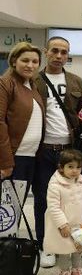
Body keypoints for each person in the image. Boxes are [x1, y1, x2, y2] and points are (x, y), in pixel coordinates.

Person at [32, 36, 82, 268]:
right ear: (46, 52)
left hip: (69, 150)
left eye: (64, 52)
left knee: (73, 201)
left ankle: (73, 243)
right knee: (44, 199)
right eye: (55, 51)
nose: (59, 56)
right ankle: (46, 245)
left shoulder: (76, 81)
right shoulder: (32, 78)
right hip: (42, 149)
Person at [43, 149, 82, 275]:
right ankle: (65, 273)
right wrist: (62, 224)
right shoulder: (55, 185)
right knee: (64, 249)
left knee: (78, 249)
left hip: (80, 223)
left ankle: (77, 272)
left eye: (78, 167)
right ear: (61, 167)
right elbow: (53, 207)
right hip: (64, 224)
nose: (74, 171)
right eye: (70, 167)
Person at [0, 42, 44, 205]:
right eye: (25, 60)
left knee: (14, 213)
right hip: (12, 159)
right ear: (13, 61)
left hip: (29, 158)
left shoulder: (32, 86)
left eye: (35, 62)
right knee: (6, 214)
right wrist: (5, 162)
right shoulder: (5, 83)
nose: (30, 65)